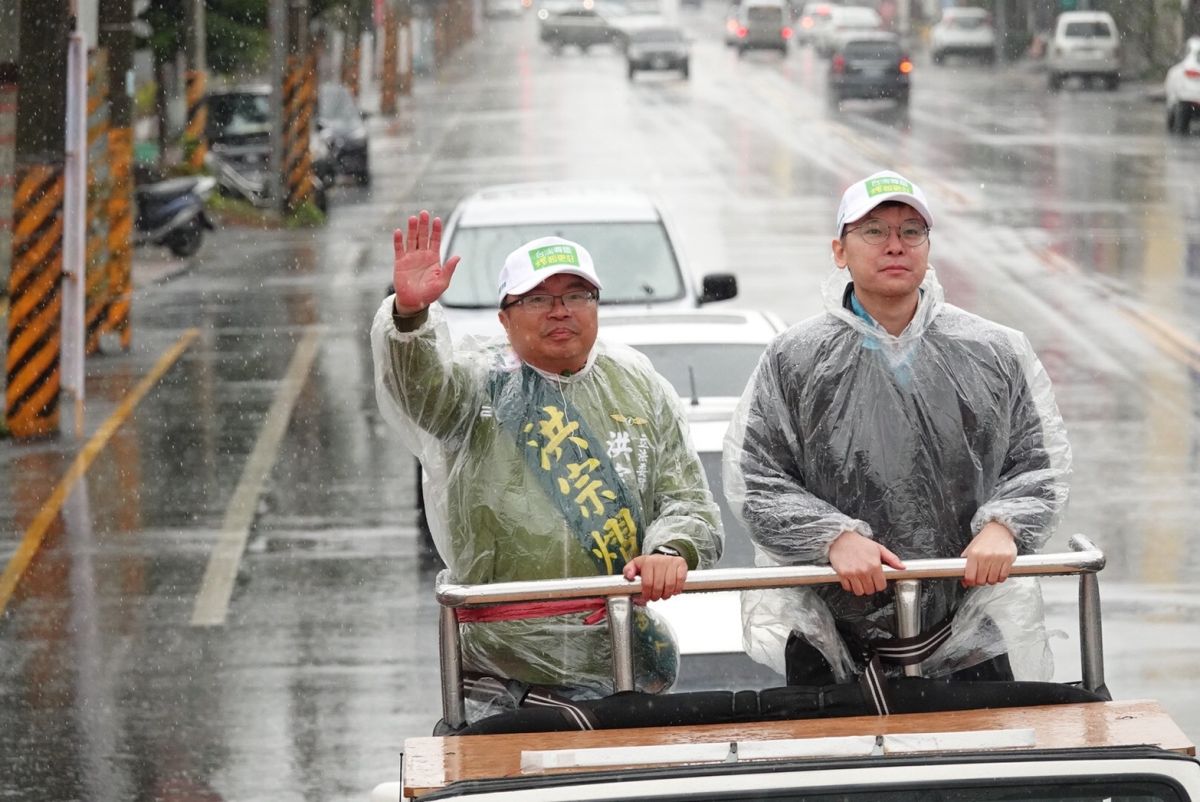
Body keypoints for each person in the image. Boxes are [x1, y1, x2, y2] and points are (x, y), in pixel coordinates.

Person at [723, 171, 1071, 687]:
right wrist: (832, 537)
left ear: (928, 247)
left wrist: (1005, 527)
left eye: (911, 231)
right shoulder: (795, 358)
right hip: (833, 638)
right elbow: (757, 481)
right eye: (874, 231)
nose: (895, 245)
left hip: (967, 633)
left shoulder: (992, 352)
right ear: (839, 251)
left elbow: (1038, 467)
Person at [372, 211, 722, 720]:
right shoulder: (476, 385)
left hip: (621, 662)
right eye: (537, 299)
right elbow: (418, 393)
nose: (560, 311)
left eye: (576, 296)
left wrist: (670, 550)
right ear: (505, 317)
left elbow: (688, 501)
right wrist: (410, 316)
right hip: (503, 676)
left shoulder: (640, 386)